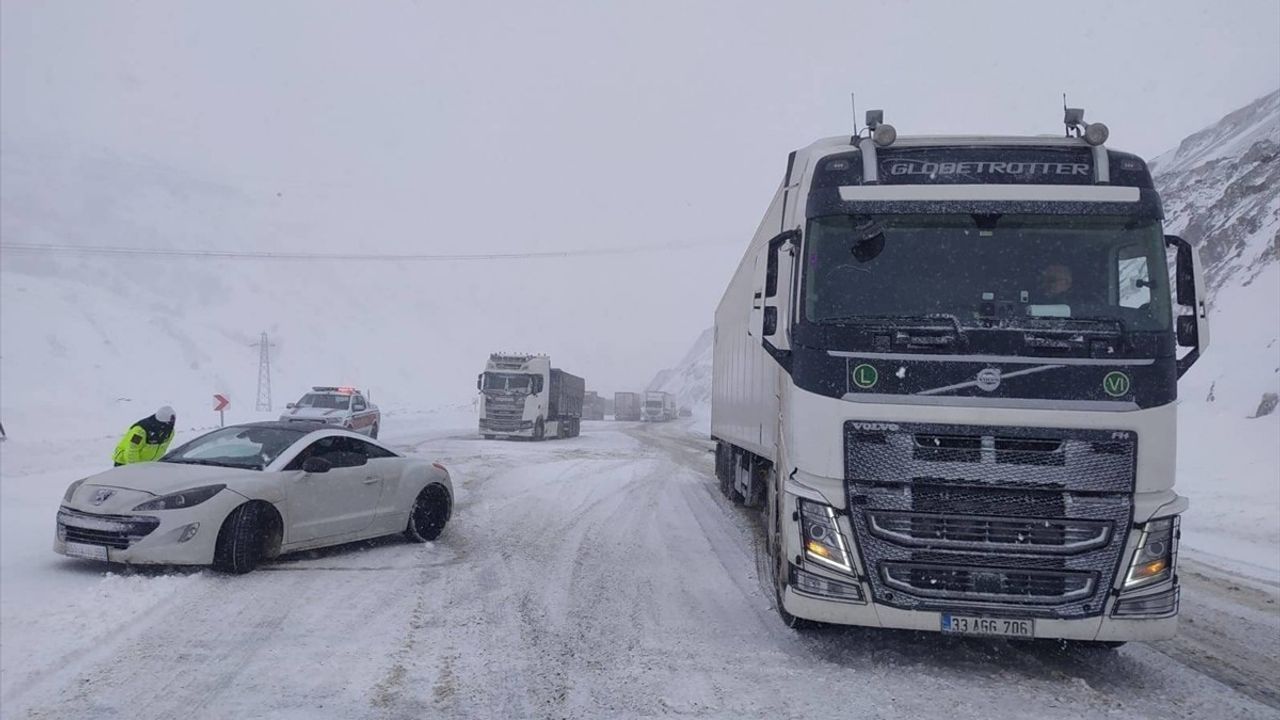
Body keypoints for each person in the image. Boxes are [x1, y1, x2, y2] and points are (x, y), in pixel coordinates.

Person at [113, 406, 177, 466]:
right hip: (124, 463)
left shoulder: (170, 432)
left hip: (146, 466)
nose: (170, 425)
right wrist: (134, 469)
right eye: (168, 423)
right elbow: (132, 449)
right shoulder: (140, 431)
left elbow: (162, 450)